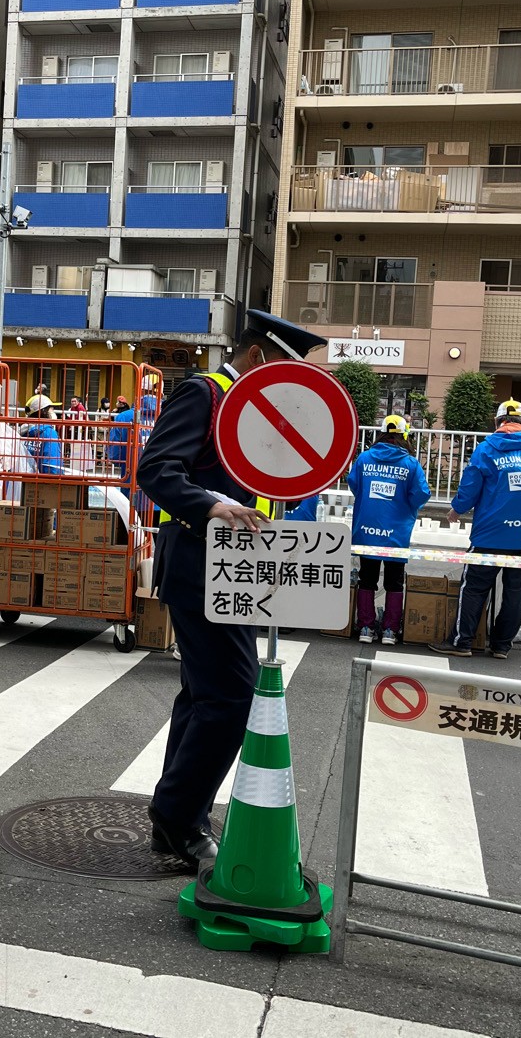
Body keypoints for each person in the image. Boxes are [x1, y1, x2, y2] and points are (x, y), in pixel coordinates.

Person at [136, 310, 327, 869]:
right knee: (232, 697)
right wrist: (213, 505)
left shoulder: (258, 409)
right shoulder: (207, 393)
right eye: (292, 369)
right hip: (201, 562)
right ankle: (176, 817)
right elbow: (156, 470)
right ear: (262, 358)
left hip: (244, 569)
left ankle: (178, 816)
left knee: (204, 696)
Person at [430, 399, 521, 660]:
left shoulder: (486, 449)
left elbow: (470, 486)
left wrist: (456, 509)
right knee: (515, 592)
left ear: (497, 422)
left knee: (473, 587)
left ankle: (462, 642)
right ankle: (501, 645)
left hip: (490, 533)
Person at [348, 415, 431, 645]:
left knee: (367, 578)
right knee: (394, 582)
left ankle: (365, 626)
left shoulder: (365, 459)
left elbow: (355, 485)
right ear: (404, 436)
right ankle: (390, 631)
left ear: (381, 433)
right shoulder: (410, 464)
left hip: (367, 530)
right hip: (396, 533)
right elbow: (421, 496)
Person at [21, 401, 66, 476]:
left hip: (22, 480)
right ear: (44, 411)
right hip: (42, 481)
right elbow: (52, 465)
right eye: (51, 409)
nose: (53, 412)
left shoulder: (22, 432)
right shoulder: (49, 433)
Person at [105, 397, 136, 477]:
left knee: (129, 484)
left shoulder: (123, 416)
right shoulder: (163, 415)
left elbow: (116, 439)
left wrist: (114, 459)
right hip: (157, 466)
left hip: (130, 461)